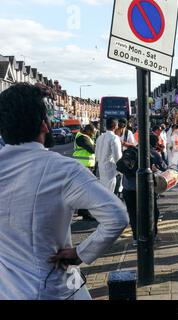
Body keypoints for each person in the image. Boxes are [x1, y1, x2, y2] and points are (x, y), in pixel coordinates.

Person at [0, 83, 129, 299]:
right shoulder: (62, 169)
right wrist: (81, 253)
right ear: (44, 125)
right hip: (54, 288)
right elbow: (116, 216)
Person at [122, 134, 167, 245]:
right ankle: (153, 234)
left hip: (128, 187)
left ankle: (136, 238)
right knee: (153, 212)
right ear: (155, 144)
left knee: (133, 213)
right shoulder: (153, 153)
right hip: (144, 189)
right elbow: (164, 168)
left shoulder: (131, 150)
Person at [73, 124, 97, 221]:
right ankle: (86, 212)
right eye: (93, 132)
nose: (93, 134)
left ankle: (82, 210)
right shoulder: (82, 138)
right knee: (87, 189)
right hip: (83, 166)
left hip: (85, 166)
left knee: (84, 189)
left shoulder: (84, 136)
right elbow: (92, 150)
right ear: (87, 131)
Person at [95, 118, 122, 193]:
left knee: (103, 193)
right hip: (111, 171)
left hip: (101, 169)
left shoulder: (100, 138)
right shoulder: (114, 138)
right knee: (110, 194)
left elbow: (96, 155)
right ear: (115, 126)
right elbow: (118, 157)